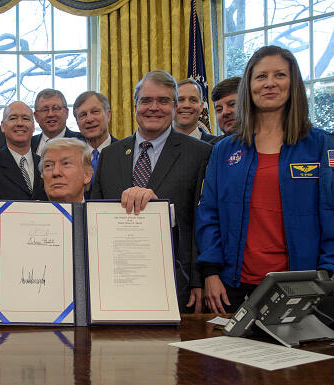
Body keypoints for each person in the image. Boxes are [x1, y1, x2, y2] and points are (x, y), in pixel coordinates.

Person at [196, 46, 334, 314]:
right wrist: (211, 272)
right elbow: (209, 214)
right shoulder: (224, 150)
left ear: (292, 83)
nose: (270, 83)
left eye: (280, 74)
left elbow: (331, 213)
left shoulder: (321, 146)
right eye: (261, 77)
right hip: (234, 288)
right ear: (249, 86)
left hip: (305, 287)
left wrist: (327, 274)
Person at [91, 70, 212, 313]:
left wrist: (200, 279)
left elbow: (203, 222)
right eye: (146, 100)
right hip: (114, 281)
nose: (153, 107)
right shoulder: (110, 155)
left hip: (177, 283)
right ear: (135, 106)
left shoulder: (199, 153)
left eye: (163, 101)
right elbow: (94, 215)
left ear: (175, 106)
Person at [0, 138, 93, 253]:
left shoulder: (102, 221)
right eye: (48, 166)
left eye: (66, 164)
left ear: (87, 175)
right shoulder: (17, 222)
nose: (56, 172)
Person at [0, 101, 47, 201]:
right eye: (13, 118)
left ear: (33, 127)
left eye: (25, 118)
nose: (20, 123)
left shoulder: (45, 164)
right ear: (2, 126)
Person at [72, 91, 117, 191]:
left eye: (95, 112)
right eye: (83, 115)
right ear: (77, 122)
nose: (89, 119)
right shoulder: (71, 156)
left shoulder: (124, 153)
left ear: (108, 115)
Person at [31, 89, 82, 156]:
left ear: (66, 113)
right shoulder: (28, 144)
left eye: (56, 108)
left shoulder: (82, 141)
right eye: (45, 110)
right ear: (36, 116)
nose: (50, 114)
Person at [209, 76, 241, 144]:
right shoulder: (210, 149)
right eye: (219, 109)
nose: (225, 112)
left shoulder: (266, 142)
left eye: (232, 104)